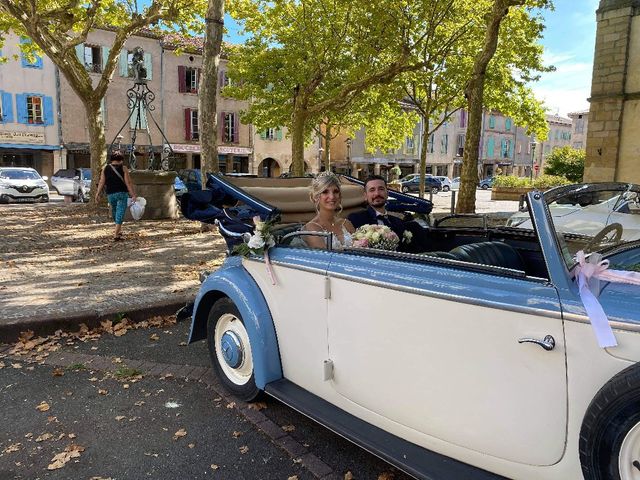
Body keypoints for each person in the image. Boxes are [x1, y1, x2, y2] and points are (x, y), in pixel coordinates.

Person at [304, 171, 355, 249]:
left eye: (336, 191)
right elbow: (324, 258)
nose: (332, 197)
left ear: (340, 196)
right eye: (325, 192)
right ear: (316, 197)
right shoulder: (312, 228)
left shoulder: (347, 224)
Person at [347, 175, 407, 240]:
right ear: (365, 196)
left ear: (387, 194)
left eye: (381, 189)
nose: (377, 194)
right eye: (372, 190)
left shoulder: (398, 222)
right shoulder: (355, 219)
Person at [95, 151, 137, 241]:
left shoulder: (105, 168)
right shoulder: (124, 168)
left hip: (110, 194)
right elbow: (128, 182)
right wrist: (133, 194)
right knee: (120, 212)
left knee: (114, 211)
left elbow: (102, 182)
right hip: (122, 193)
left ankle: (118, 229)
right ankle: (116, 235)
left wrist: (97, 193)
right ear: (121, 160)